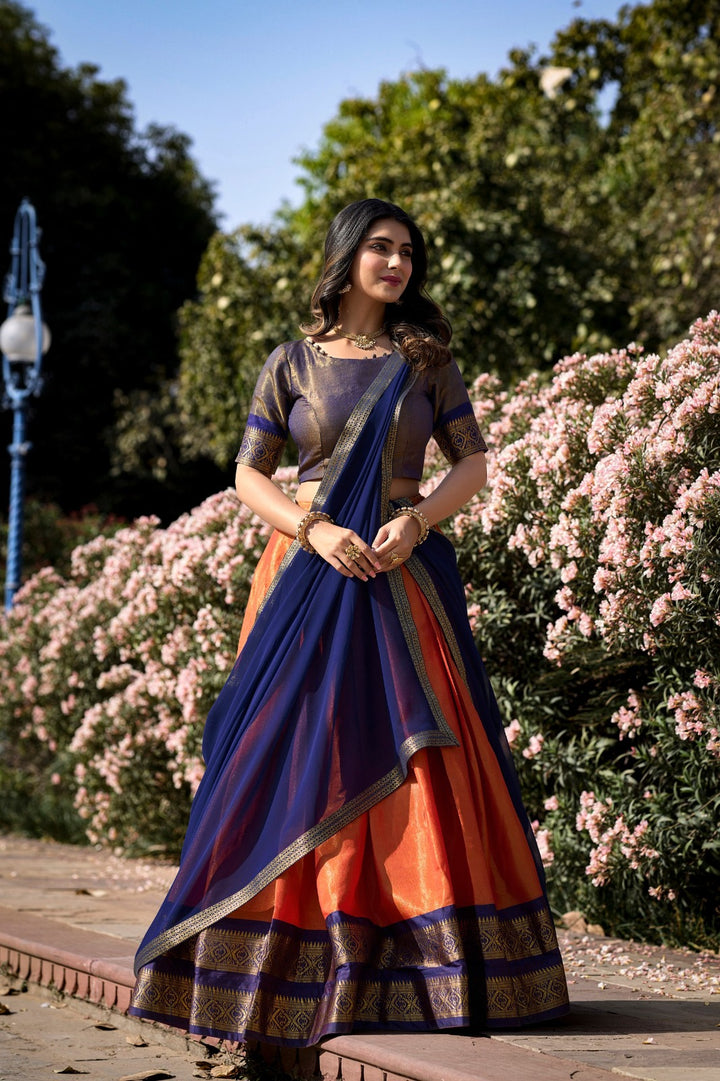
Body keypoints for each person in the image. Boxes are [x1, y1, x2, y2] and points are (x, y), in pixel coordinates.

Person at [129, 198, 569, 1073]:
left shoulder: (425, 361)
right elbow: (248, 474)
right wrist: (313, 529)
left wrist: (417, 524)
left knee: (421, 762)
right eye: (380, 247)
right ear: (346, 256)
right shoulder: (290, 363)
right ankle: (274, 968)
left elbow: (473, 462)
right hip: (305, 576)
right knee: (291, 751)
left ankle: (425, 969)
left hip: (405, 578)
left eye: (408, 251)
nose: (398, 263)